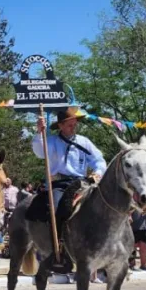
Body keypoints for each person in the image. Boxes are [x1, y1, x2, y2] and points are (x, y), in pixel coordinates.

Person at [31, 106, 107, 271]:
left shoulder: (84, 141)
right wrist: (39, 132)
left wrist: (97, 172)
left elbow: (99, 160)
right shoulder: (50, 141)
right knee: (58, 207)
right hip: (59, 183)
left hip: (82, 183)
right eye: (70, 125)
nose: (74, 127)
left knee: (103, 207)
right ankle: (57, 250)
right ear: (60, 126)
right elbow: (39, 152)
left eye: (75, 124)